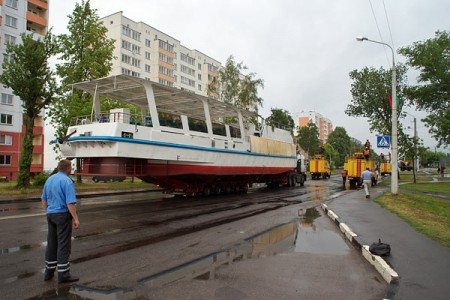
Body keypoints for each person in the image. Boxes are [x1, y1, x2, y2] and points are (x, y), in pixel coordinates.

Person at [41, 160, 80, 283]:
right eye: (71, 167)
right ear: (67, 168)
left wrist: (47, 212)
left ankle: (48, 272)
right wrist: (75, 218)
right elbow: (70, 203)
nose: (71, 169)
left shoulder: (50, 179)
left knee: (51, 243)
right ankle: (63, 274)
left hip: (51, 214)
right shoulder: (67, 181)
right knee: (63, 244)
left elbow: (43, 199)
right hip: (62, 215)